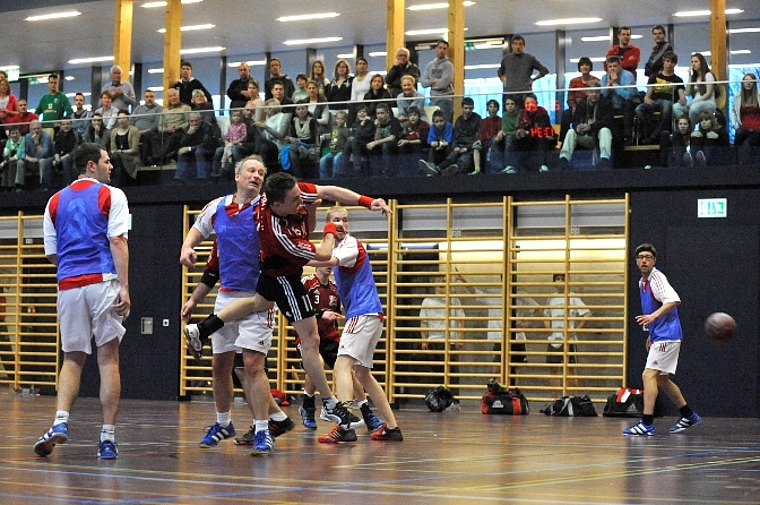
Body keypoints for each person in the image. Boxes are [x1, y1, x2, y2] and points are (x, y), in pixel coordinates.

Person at [182, 172, 391, 436]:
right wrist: (330, 229)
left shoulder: (281, 197)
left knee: (258, 302)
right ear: (277, 205)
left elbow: (327, 191)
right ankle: (329, 402)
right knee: (310, 339)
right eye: (294, 201)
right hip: (284, 277)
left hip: (269, 271)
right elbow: (325, 256)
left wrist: (366, 201)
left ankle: (203, 328)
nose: (300, 202)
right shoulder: (279, 234)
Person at [179, 156, 295, 455]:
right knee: (220, 366)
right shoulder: (218, 206)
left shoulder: (267, 208)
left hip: (258, 296)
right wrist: (187, 246)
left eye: (261, 172)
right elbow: (198, 230)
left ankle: (261, 430)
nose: (257, 176)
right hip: (227, 296)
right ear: (237, 175)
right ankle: (222, 423)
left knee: (253, 365)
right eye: (252, 171)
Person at [34, 142, 130, 459]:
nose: (111, 166)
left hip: (68, 285)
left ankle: (61, 422)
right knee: (108, 359)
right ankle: (107, 438)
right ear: (92, 165)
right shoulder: (111, 195)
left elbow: (51, 253)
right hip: (102, 280)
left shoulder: (54, 201)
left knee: (72, 358)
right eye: (106, 161)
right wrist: (125, 287)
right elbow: (116, 239)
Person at [310, 207, 403, 443]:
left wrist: (288, 258)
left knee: (342, 365)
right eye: (336, 220)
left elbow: (326, 259)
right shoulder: (340, 247)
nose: (342, 224)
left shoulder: (350, 246)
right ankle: (392, 427)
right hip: (370, 315)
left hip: (362, 314)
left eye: (345, 220)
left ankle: (345, 424)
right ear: (328, 225)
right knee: (362, 373)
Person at [622, 243, 701, 436]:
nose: (644, 260)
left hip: (668, 335)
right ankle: (689, 415)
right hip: (661, 335)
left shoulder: (657, 277)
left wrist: (653, 319)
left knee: (648, 376)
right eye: (641, 257)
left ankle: (647, 423)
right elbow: (652, 308)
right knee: (663, 379)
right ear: (636, 261)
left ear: (654, 261)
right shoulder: (642, 283)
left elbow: (673, 300)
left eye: (648, 257)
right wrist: (651, 333)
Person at [297, 265, 384, 434]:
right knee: (317, 364)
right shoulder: (306, 283)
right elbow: (298, 310)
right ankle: (308, 406)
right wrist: (319, 314)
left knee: (349, 371)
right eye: (325, 262)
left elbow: (341, 311)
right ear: (317, 264)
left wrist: (370, 315)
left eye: (331, 263)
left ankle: (366, 412)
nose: (329, 266)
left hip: (330, 337)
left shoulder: (334, 289)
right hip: (308, 337)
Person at [544, 273, 591, 389]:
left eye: (562, 279)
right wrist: (547, 327)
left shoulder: (573, 297)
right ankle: (554, 400)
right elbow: (546, 315)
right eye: (557, 279)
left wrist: (575, 330)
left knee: (571, 370)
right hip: (553, 340)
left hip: (568, 340)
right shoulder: (551, 298)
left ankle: (573, 400)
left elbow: (587, 314)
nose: (560, 281)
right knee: (554, 370)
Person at [420, 275, 465, 389]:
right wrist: (424, 340)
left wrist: (460, 338)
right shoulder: (427, 301)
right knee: (436, 373)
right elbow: (424, 322)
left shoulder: (454, 300)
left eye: (444, 280)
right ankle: (437, 403)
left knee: (452, 373)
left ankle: (454, 402)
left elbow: (461, 320)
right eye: (438, 280)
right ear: (434, 284)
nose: (441, 283)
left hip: (450, 341)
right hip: (434, 341)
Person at [557, 82, 614, 170]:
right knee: (571, 131)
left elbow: (607, 121)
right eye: (591, 92)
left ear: (600, 92)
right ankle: (564, 159)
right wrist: (578, 127)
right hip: (586, 135)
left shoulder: (606, 103)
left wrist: (591, 127)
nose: (594, 94)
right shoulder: (582, 104)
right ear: (587, 93)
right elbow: (575, 119)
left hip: (599, 136)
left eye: (597, 92)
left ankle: (605, 159)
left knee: (605, 130)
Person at [421, 96, 480, 175]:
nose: (468, 110)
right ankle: (437, 169)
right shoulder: (459, 120)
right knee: (451, 157)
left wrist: (467, 148)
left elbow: (478, 137)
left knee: (463, 161)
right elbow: (455, 136)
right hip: (458, 146)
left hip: (470, 148)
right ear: (462, 108)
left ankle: (443, 172)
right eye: (466, 108)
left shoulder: (477, 119)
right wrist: (455, 146)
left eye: (470, 108)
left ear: (473, 108)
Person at [636, 51, 685, 145]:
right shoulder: (654, 77)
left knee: (667, 106)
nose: (669, 64)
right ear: (663, 62)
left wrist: (682, 98)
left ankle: (655, 135)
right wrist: (647, 99)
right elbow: (648, 95)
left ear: (675, 64)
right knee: (639, 109)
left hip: (668, 102)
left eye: (672, 62)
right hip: (655, 102)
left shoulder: (677, 80)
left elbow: (681, 93)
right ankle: (651, 131)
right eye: (667, 61)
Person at [497, 34, 549, 108]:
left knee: (525, 115)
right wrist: (503, 79)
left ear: (523, 46)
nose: (518, 47)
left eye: (520, 44)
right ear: (512, 45)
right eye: (515, 44)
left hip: (525, 93)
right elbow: (500, 72)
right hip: (510, 93)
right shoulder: (506, 59)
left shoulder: (530, 58)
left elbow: (544, 70)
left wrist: (533, 79)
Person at [509, 93, 554, 173]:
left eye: (532, 103)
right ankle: (512, 167)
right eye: (527, 103)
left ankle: (543, 165)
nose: (530, 105)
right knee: (514, 139)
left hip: (544, 139)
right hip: (529, 140)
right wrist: (519, 133)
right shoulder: (523, 114)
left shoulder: (542, 113)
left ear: (536, 103)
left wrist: (527, 132)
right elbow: (520, 127)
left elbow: (543, 130)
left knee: (541, 138)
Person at [559, 56, 599, 143]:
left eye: (587, 65)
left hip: (590, 108)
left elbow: (597, 97)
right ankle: (563, 140)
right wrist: (574, 108)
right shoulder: (574, 81)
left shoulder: (596, 80)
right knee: (565, 114)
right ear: (579, 68)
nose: (585, 67)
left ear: (590, 67)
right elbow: (570, 98)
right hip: (576, 107)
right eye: (582, 65)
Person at [601, 55, 638, 145]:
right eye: (610, 67)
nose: (612, 69)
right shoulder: (604, 77)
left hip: (628, 104)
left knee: (628, 104)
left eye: (615, 66)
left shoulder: (628, 75)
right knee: (603, 105)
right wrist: (608, 84)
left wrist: (615, 84)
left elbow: (629, 96)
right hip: (613, 105)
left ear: (620, 66)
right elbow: (602, 96)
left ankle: (628, 136)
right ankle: (610, 136)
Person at [672, 53, 717, 127]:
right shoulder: (694, 77)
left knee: (693, 108)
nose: (693, 64)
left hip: (708, 102)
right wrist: (690, 76)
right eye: (692, 62)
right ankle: (685, 123)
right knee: (676, 107)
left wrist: (693, 103)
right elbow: (688, 92)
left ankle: (689, 129)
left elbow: (708, 94)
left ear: (701, 63)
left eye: (696, 62)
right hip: (695, 102)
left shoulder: (708, 75)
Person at [420, 39, 455, 121]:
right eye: (440, 48)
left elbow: (443, 84)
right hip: (432, 99)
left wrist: (431, 83)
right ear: (436, 49)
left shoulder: (448, 65)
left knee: (444, 123)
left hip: (445, 100)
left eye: (444, 48)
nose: (442, 50)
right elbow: (423, 83)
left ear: (447, 51)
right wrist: (433, 81)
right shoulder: (430, 65)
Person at [731, 73, 760, 165]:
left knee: (747, 143)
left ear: (754, 83)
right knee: (738, 134)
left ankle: (744, 164)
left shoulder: (759, 95)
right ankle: (736, 162)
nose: (748, 83)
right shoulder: (737, 96)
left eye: (751, 81)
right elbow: (733, 111)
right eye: (746, 81)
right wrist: (734, 124)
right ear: (742, 83)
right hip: (744, 127)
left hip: (758, 129)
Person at [418, 109, 457, 176]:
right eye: (437, 122)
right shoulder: (432, 127)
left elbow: (448, 141)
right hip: (438, 147)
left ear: (445, 120)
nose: (439, 123)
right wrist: (434, 144)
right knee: (431, 149)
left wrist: (440, 145)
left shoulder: (448, 126)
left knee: (452, 152)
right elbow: (430, 141)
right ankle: (431, 165)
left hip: (447, 146)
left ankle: (437, 169)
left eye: (441, 121)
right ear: (433, 122)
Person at [17, 120, 54, 190]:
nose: (36, 131)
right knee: (20, 162)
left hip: (45, 160)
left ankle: (42, 184)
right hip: (31, 160)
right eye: (34, 129)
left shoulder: (46, 137)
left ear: (41, 128)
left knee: (42, 161)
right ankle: (19, 186)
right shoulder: (27, 137)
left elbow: (44, 154)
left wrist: (36, 142)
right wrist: (29, 158)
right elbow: (22, 153)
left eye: (38, 128)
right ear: (30, 130)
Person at [131, 89, 163, 165]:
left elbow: (156, 124)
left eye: (151, 96)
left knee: (147, 135)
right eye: (147, 97)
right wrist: (133, 131)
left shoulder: (159, 108)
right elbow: (131, 120)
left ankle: (144, 160)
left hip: (150, 132)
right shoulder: (138, 108)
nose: (149, 99)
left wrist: (143, 131)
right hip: (135, 132)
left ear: (154, 97)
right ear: (144, 98)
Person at [109, 111, 140, 186]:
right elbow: (113, 149)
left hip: (131, 157)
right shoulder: (114, 131)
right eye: (119, 118)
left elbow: (134, 150)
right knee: (116, 160)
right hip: (117, 157)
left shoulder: (134, 130)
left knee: (116, 157)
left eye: (124, 118)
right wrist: (117, 152)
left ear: (128, 119)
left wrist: (121, 151)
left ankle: (117, 184)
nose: (121, 120)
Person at [472, 99, 501, 174]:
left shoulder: (501, 120)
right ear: (488, 108)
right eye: (490, 106)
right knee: (476, 147)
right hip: (484, 142)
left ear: (497, 108)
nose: (492, 108)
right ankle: (477, 169)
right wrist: (479, 140)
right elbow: (481, 133)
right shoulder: (483, 121)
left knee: (492, 147)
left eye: (494, 107)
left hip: (495, 142)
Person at [319, 110, 349, 179]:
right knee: (322, 160)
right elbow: (333, 135)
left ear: (345, 120)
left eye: (342, 119)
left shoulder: (346, 130)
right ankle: (323, 178)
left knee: (336, 159)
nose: (339, 120)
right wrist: (325, 135)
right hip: (332, 151)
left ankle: (335, 178)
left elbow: (349, 139)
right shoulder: (334, 128)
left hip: (341, 151)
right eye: (338, 119)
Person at [52, 118, 81, 187]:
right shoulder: (59, 135)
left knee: (65, 160)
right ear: (61, 126)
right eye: (63, 124)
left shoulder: (75, 134)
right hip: (62, 156)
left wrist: (61, 159)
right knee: (47, 162)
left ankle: (68, 184)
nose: (66, 126)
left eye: (68, 124)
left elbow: (75, 150)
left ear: (71, 125)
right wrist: (56, 157)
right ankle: (48, 186)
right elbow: (56, 148)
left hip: (75, 157)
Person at [496, 95, 520, 173]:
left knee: (509, 138)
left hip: (519, 136)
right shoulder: (505, 115)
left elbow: (518, 128)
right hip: (509, 135)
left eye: (512, 104)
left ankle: (508, 165)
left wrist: (507, 132)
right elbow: (505, 129)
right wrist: (502, 133)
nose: (509, 106)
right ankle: (497, 167)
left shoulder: (521, 115)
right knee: (495, 140)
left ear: (516, 106)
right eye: (507, 104)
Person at [0, 126, 24, 190]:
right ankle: (4, 186)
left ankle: (11, 186)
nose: (15, 135)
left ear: (20, 134)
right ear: (9, 135)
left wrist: (4, 162)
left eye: (16, 133)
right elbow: (6, 154)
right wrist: (5, 159)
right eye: (13, 133)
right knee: (7, 165)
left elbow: (18, 156)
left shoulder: (23, 141)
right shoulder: (8, 142)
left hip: (22, 159)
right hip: (11, 160)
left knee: (11, 164)